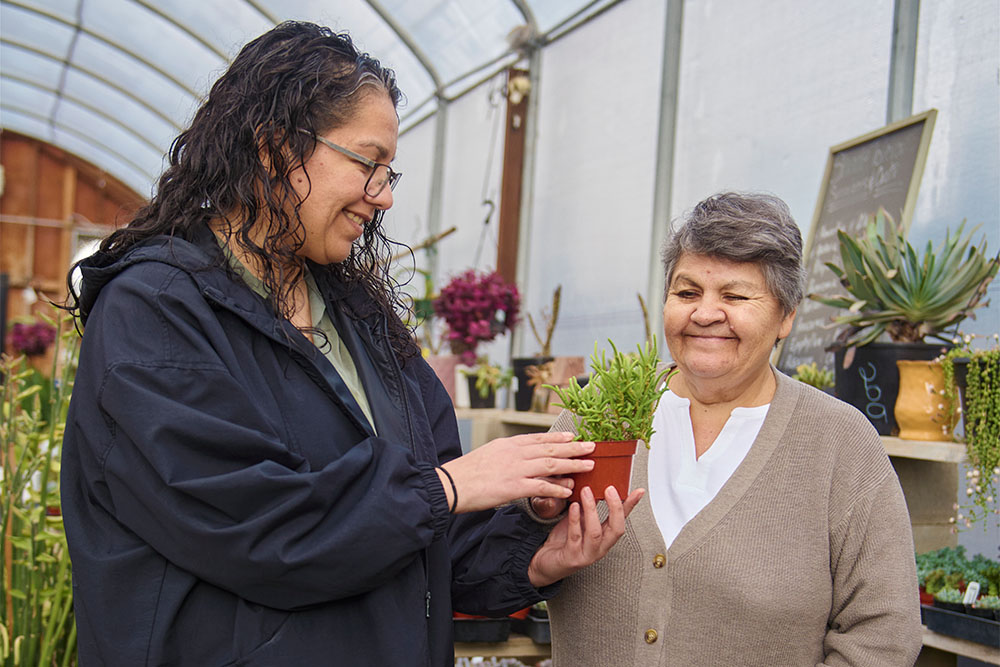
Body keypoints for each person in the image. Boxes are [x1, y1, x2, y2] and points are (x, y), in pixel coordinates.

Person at [59, 22, 637, 666]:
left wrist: (531, 551)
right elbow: (256, 529)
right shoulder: (156, 312)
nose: (384, 195)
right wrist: (445, 489)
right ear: (276, 149)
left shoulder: (358, 319)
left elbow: (420, 545)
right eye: (368, 162)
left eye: (391, 171)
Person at [543, 192, 922, 666]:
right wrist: (534, 518)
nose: (705, 314)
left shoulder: (839, 442)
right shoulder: (602, 411)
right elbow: (507, 553)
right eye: (686, 293)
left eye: (735, 296)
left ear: (786, 316)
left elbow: (884, 632)